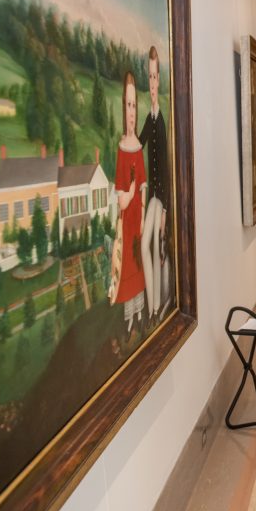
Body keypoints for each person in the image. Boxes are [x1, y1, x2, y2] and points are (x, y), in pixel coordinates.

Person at [112, 72, 147, 332]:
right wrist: (132, 191)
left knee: (139, 264)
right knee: (127, 269)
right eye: (128, 105)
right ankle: (128, 319)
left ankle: (138, 313)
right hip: (127, 221)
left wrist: (144, 216)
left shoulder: (138, 147)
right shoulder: (122, 148)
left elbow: (143, 187)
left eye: (135, 106)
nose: (132, 112)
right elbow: (122, 196)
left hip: (138, 221)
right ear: (123, 107)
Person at [138, 46, 170, 322]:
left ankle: (156, 306)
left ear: (159, 80)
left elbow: (168, 167)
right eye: (148, 77)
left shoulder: (162, 120)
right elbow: (138, 145)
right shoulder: (149, 119)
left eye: (154, 77)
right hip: (152, 196)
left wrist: (166, 211)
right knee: (143, 245)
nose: (151, 83)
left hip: (162, 198)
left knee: (157, 246)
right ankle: (152, 306)